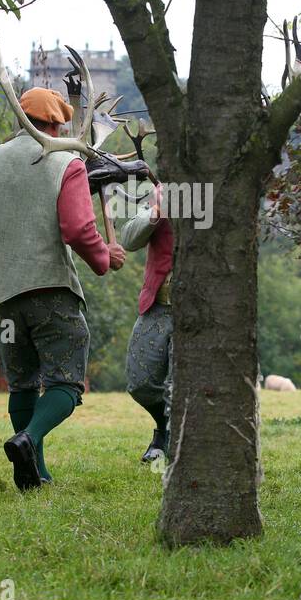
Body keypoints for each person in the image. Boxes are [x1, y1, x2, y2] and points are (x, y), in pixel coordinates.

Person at [0, 87, 126, 490]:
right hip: (49, 289)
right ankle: (28, 439)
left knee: (23, 383)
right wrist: (104, 257)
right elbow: (78, 229)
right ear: (57, 124)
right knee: (66, 382)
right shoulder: (66, 163)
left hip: (1, 296)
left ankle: (35, 474)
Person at [119, 182, 174, 464]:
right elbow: (128, 239)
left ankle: (170, 443)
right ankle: (166, 428)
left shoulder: (214, 193)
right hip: (157, 306)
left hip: (198, 313)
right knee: (140, 382)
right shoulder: (161, 192)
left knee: (180, 387)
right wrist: (156, 211)